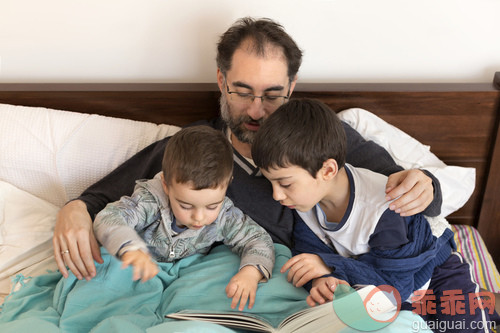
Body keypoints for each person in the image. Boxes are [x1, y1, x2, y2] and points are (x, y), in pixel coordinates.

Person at [53, 17, 442, 282]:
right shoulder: (196, 149)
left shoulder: (323, 136)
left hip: (341, 281)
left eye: (272, 95)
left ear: (291, 88)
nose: (256, 111)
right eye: (242, 92)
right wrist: (75, 208)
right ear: (222, 81)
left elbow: (411, 195)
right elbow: (103, 198)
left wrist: (424, 185)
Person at [251, 98, 499, 331]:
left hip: (434, 275)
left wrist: (329, 265)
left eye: (284, 184)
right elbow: (312, 258)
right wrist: (322, 280)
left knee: (465, 324)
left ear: (327, 170)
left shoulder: (383, 207)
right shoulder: (304, 206)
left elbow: (396, 287)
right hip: (385, 289)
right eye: (271, 183)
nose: (276, 195)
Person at [93, 125, 275, 311]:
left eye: (212, 206)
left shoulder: (224, 216)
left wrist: (250, 273)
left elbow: (257, 239)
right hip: (137, 269)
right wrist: (130, 249)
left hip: (185, 278)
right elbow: (109, 217)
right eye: (185, 206)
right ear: (166, 185)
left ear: (227, 185)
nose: (199, 217)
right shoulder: (149, 201)